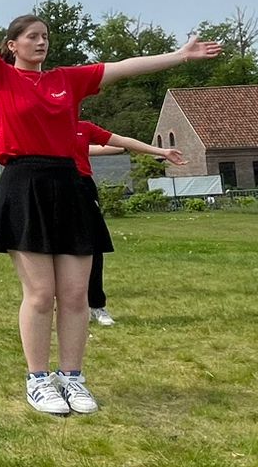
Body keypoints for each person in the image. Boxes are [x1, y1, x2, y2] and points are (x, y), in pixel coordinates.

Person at [0, 0, 219, 416]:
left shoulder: (69, 79)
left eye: (45, 36)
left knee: (76, 294)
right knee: (41, 294)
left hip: (70, 186)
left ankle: (73, 378)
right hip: (25, 186)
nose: (41, 42)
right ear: (12, 46)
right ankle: (38, 379)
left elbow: (126, 67)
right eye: (32, 37)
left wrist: (180, 57)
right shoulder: (0, 78)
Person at [78, 123, 185, 324]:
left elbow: (122, 142)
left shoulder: (83, 128)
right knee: (57, 250)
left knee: (93, 248)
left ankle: (96, 305)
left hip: (82, 186)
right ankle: (65, 304)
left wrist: (161, 151)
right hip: (50, 187)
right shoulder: (44, 127)